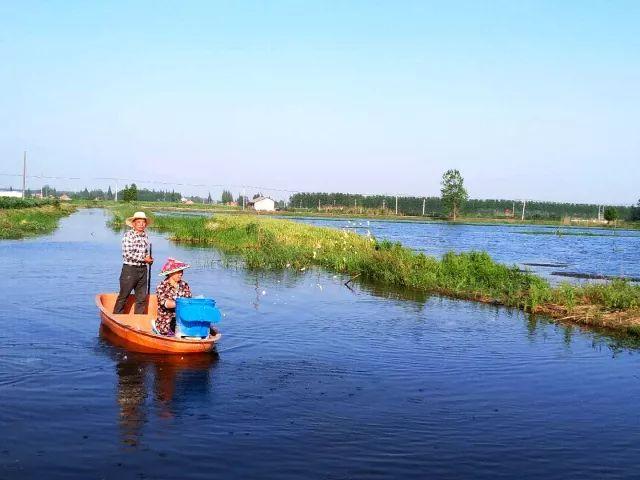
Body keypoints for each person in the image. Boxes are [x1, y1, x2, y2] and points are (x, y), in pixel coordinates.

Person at [114, 211, 154, 314]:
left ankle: (138, 320)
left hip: (143, 269)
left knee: (141, 298)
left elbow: (145, 254)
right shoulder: (128, 235)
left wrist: (149, 259)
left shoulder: (145, 236)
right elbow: (127, 254)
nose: (141, 224)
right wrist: (144, 258)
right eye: (139, 222)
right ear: (133, 224)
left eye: (143, 222)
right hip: (130, 269)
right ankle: (117, 317)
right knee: (124, 295)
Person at [154, 258, 192, 336]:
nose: (181, 273)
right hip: (166, 322)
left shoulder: (184, 285)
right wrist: (182, 303)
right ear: (171, 273)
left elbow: (189, 300)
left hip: (182, 320)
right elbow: (166, 303)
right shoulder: (162, 286)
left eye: (182, 271)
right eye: (178, 271)